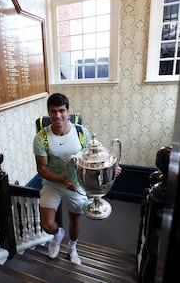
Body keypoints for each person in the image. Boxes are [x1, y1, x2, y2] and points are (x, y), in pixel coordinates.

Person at [33, 93, 121, 265]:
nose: (58, 116)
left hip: (77, 184)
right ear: (48, 112)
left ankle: (72, 248)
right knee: (47, 225)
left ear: (68, 111)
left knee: (74, 218)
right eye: (53, 111)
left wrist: (112, 166)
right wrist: (62, 180)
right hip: (53, 183)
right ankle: (58, 235)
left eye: (61, 111)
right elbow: (41, 169)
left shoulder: (81, 132)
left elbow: (97, 154)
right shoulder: (41, 138)